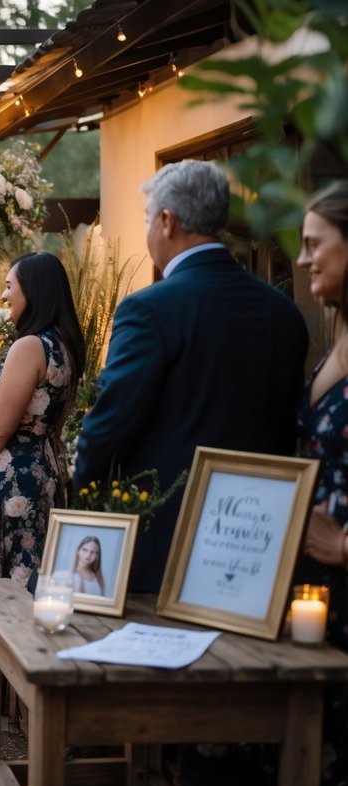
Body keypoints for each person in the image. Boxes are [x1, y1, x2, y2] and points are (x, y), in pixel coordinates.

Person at [74, 159, 308, 594]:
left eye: (148, 219)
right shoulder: (283, 313)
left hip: (165, 536)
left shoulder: (149, 310)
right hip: (258, 536)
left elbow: (110, 424)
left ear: (167, 221)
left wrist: (82, 501)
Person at [0, 252, 85, 587]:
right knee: (36, 572)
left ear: (31, 291)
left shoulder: (30, 346)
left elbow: (1, 427)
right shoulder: (64, 346)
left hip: (14, 476)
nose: (4, 295)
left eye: (8, 286)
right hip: (46, 468)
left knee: (8, 580)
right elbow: (57, 423)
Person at [294, 180, 348, 786]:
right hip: (319, 588)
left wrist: (343, 546)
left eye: (315, 244)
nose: (303, 258)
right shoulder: (334, 342)